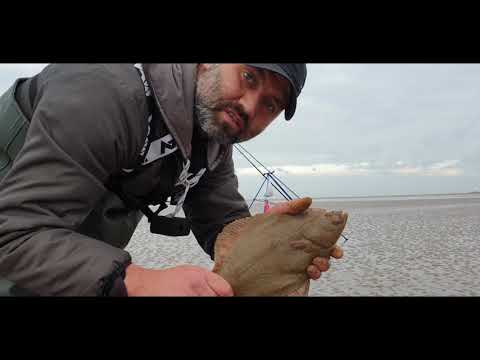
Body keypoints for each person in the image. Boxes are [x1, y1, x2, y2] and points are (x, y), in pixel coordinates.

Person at [0, 63, 343, 296]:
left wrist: (271, 241)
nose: (250, 107)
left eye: (270, 104)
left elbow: (222, 221)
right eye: (249, 77)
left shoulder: (212, 140)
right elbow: (12, 234)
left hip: (64, 240)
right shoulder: (103, 94)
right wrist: (143, 282)